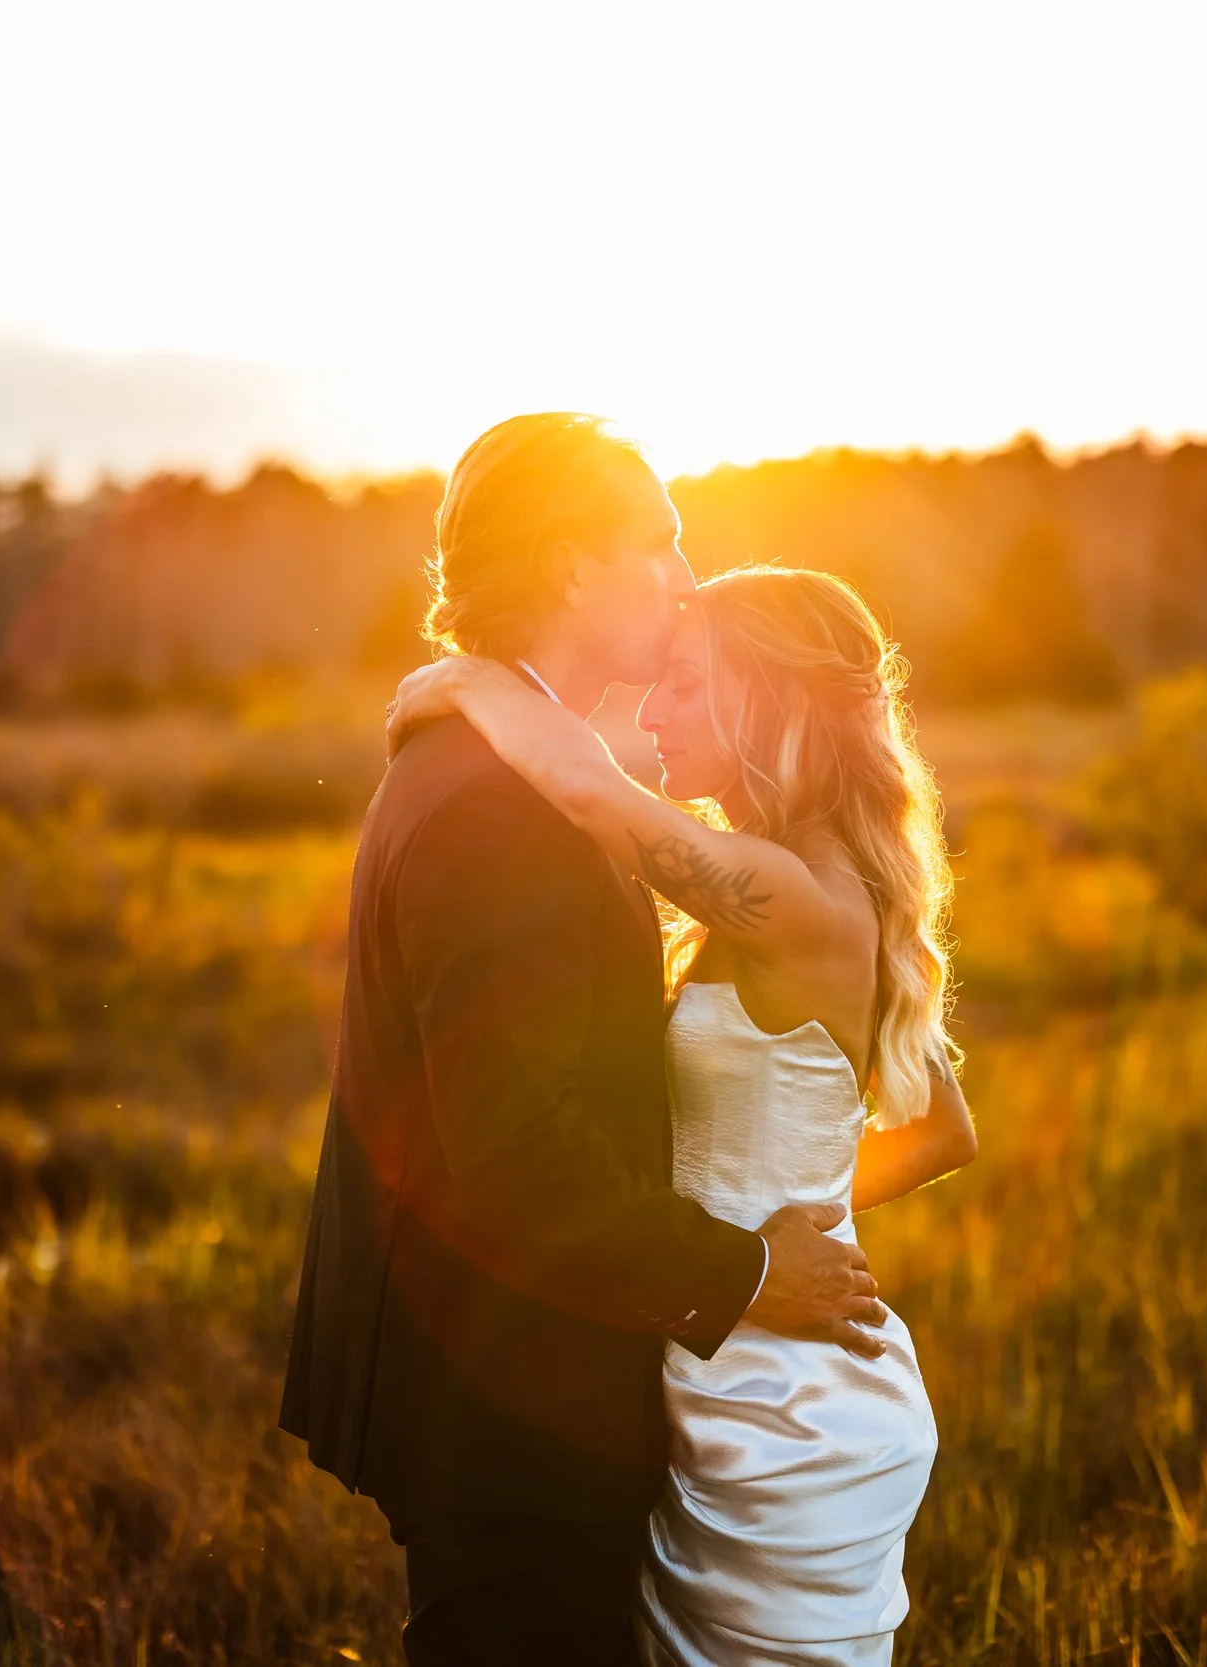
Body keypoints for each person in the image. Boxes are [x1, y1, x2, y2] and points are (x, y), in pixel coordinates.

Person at [278, 414, 892, 1667]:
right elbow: (518, 1155)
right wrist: (746, 1274)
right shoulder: (501, 805)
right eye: (658, 541)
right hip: (511, 1409)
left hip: (529, 1392)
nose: (680, 576)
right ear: (569, 566)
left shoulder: (503, 763)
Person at [386, 558, 980, 1664]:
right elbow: (946, 1126)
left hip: (787, 1419)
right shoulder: (819, 879)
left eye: (685, 684)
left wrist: (462, 683)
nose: (652, 713)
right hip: (742, 1352)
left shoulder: (795, 898)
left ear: (771, 694)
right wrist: (785, 1223)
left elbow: (588, 794)